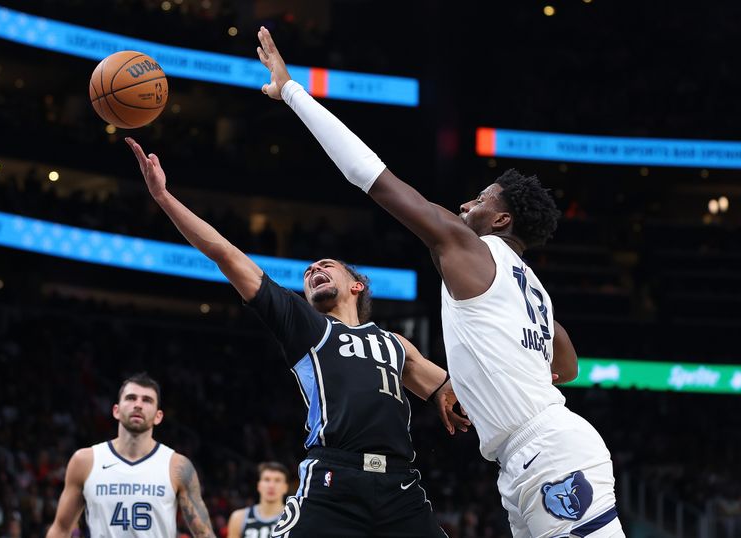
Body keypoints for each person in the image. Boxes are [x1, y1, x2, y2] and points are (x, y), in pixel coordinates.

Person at [256, 26, 625, 538]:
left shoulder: (470, 249)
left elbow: (372, 177)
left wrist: (292, 92)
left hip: (546, 450)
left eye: (480, 200)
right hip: (531, 451)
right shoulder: (531, 287)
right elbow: (567, 361)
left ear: (501, 222)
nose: (465, 206)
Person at [124, 136, 470, 538]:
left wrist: (468, 388)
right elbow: (225, 253)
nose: (313, 270)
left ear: (357, 286)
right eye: (308, 273)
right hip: (333, 480)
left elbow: (449, 387)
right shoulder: (306, 325)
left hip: (401, 486)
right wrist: (164, 197)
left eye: (326, 265)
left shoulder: (395, 343)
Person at [46, 373, 215, 538]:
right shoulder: (85, 461)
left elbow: (204, 534)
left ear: (158, 416)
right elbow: (61, 530)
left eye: (147, 400)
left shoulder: (178, 466)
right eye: (131, 398)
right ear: (116, 411)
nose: (138, 405)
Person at [226, 462, 289, 538]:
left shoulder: (296, 519)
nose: (271, 485)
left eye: (277, 480)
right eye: (267, 480)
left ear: (285, 487)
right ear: (259, 485)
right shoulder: (239, 518)